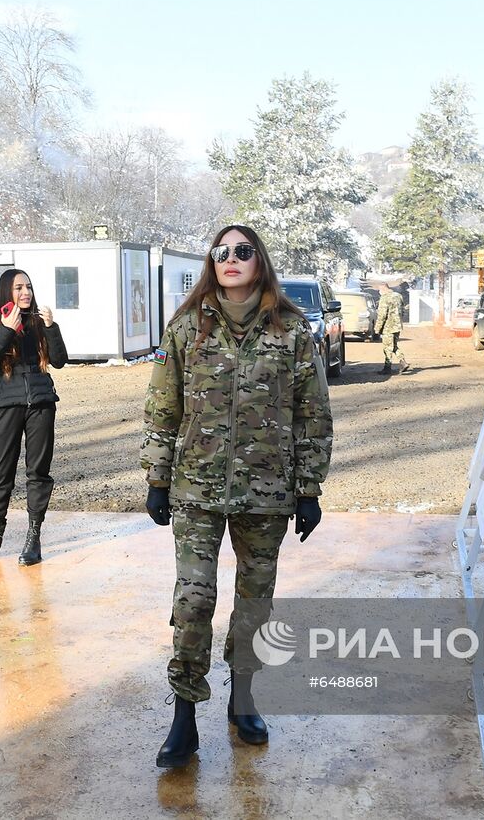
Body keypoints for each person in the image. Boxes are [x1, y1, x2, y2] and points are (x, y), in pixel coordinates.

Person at [140, 224, 333, 768]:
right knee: (194, 600)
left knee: (254, 602)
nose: (230, 260)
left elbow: (313, 414)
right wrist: (157, 480)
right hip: (196, 490)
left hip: (267, 492)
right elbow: (162, 406)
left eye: (241, 252)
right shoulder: (185, 328)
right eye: (220, 252)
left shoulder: (292, 331)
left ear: (259, 261)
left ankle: (242, 697)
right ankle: (184, 715)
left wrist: (309, 489)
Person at [0, 268, 68, 565]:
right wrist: (6, 329)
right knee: (0, 473)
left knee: (38, 473)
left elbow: (59, 360)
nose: (26, 292)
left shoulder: (38, 322)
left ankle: (33, 538)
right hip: (7, 403)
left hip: (41, 402)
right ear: (7, 291)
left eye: (28, 286)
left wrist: (52, 326)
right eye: (19, 288)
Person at [374, 280, 409, 374]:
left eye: (379, 290)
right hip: (397, 326)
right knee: (393, 345)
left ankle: (387, 368)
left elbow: (382, 315)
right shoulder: (398, 296)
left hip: (388, 327)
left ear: (383, 288)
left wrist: (377, 328)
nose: (379, 292)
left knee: (387, 347)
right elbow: (403, 310)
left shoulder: (384, 298)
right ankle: (402, 362)